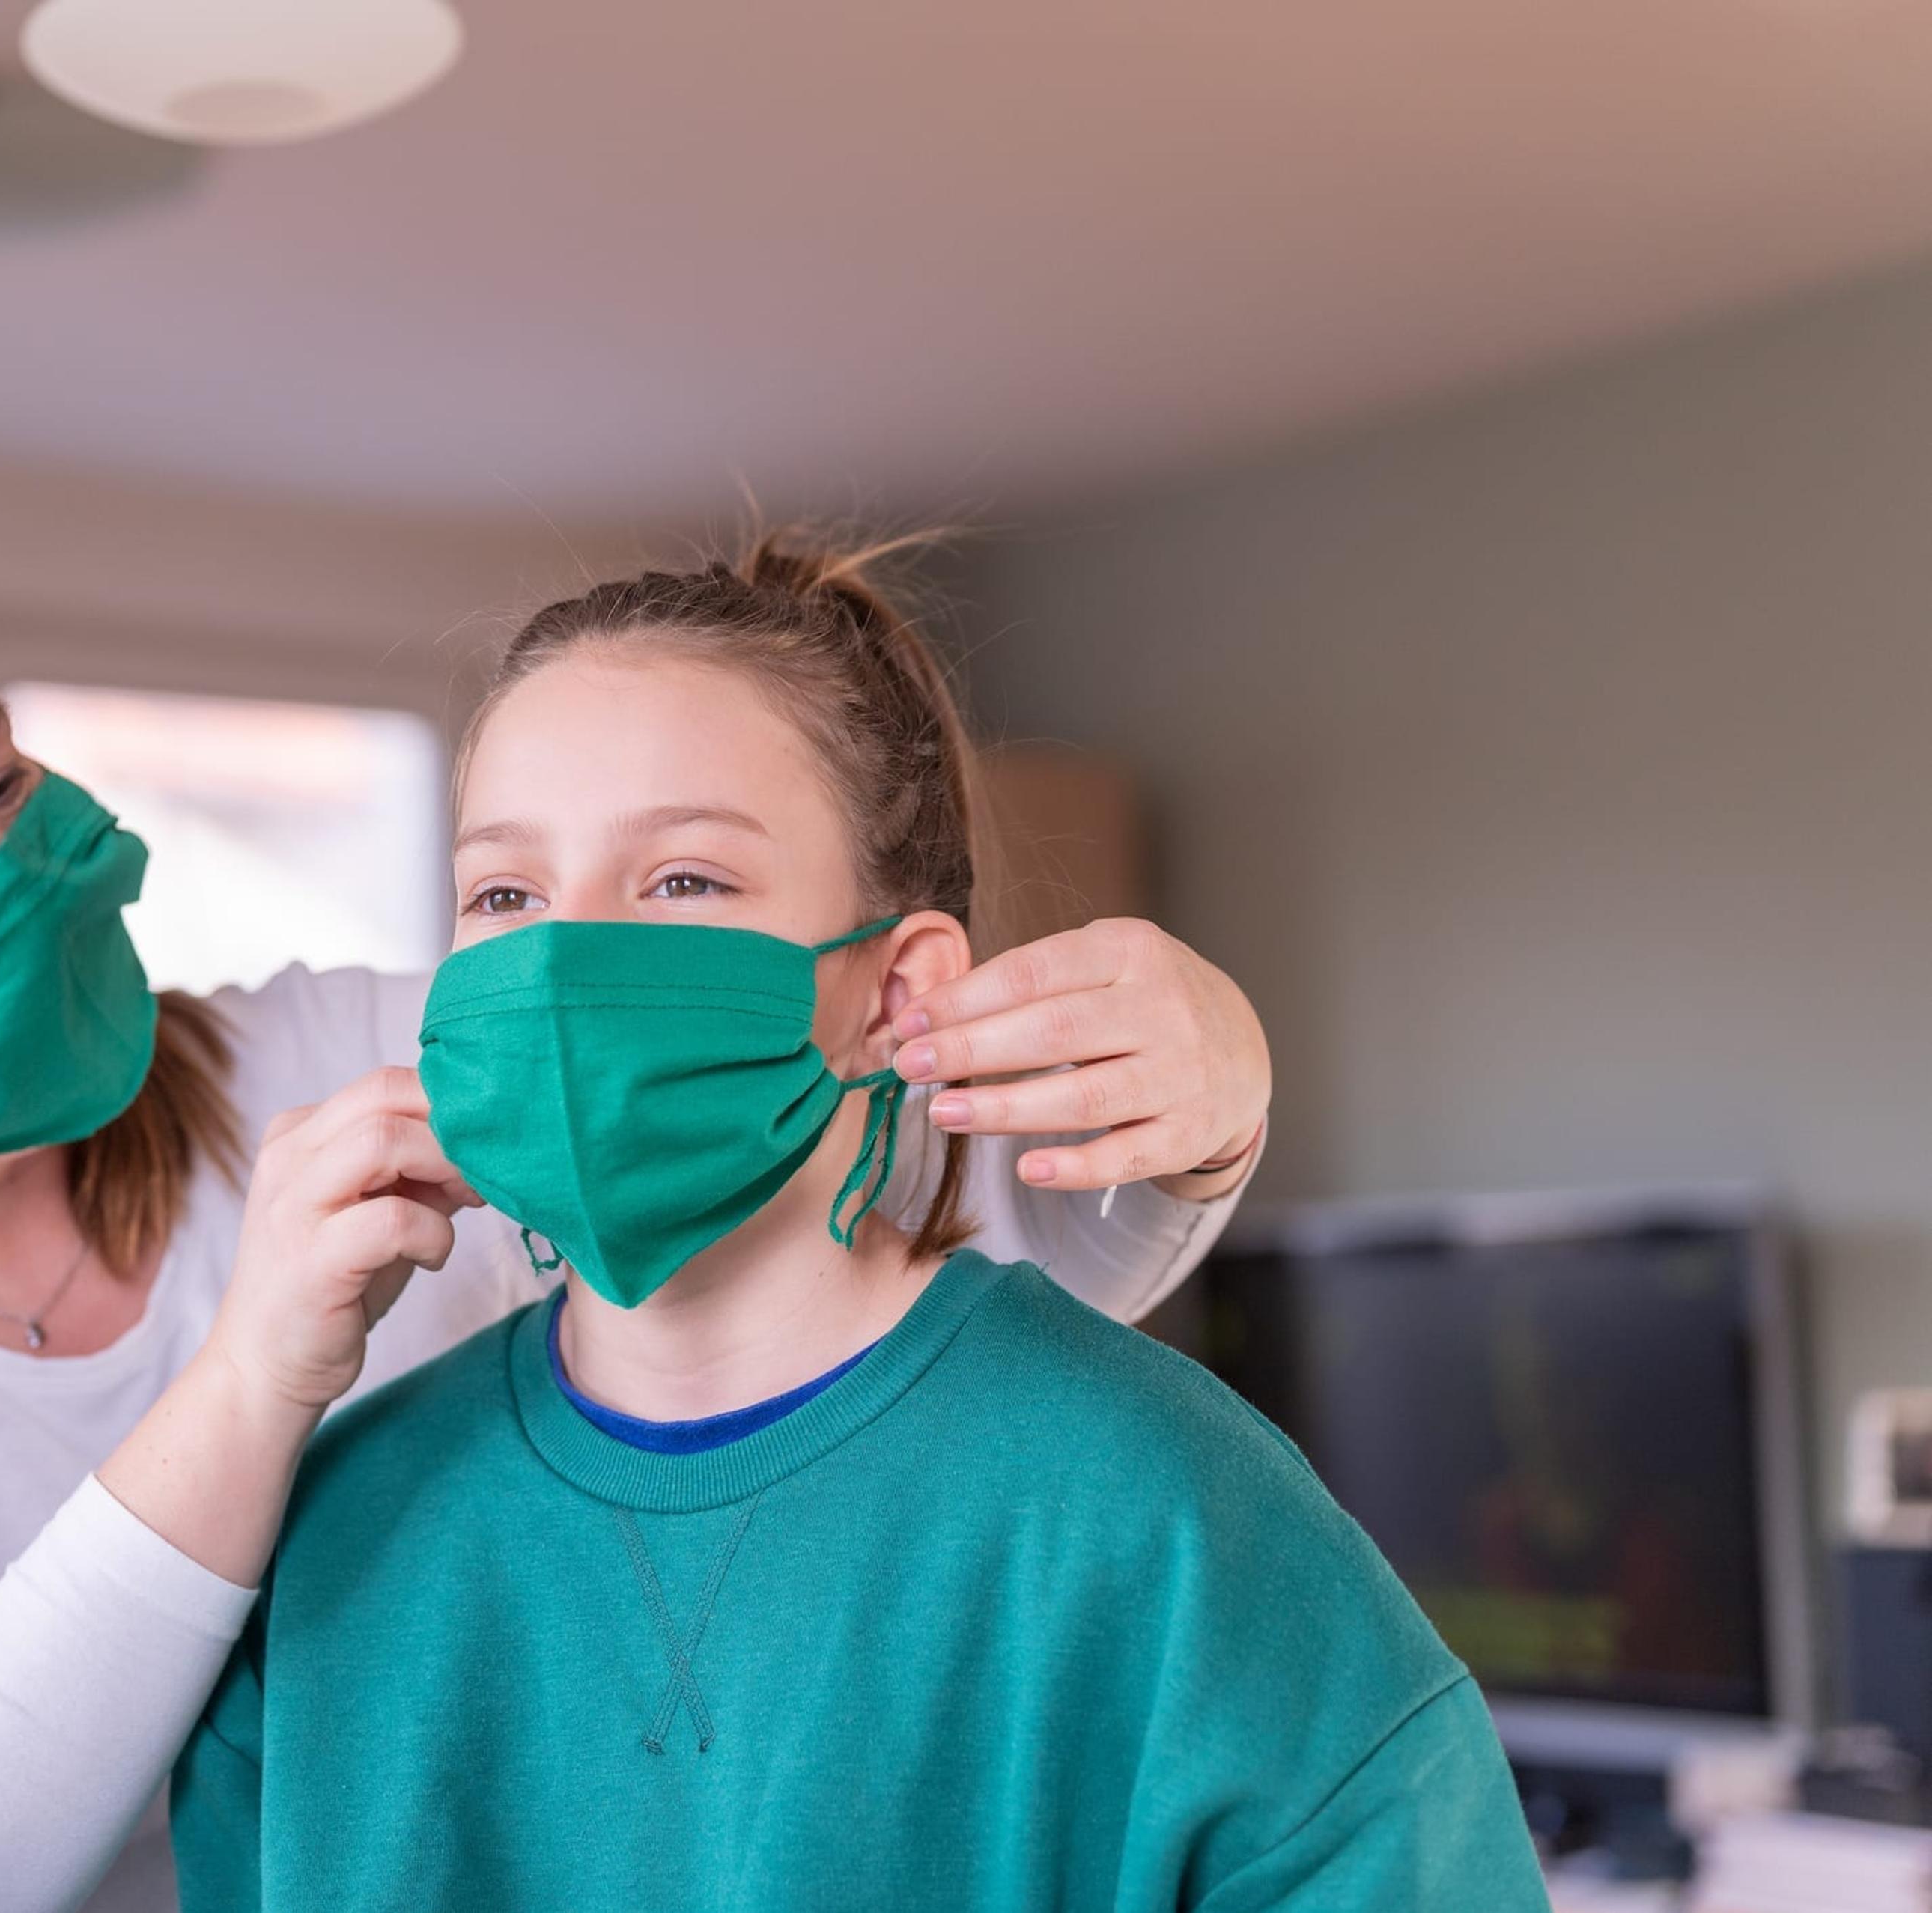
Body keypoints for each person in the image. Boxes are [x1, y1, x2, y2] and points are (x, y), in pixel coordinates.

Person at [0, 529, 1273, 1913]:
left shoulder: (367, 1061)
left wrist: (1192, 1112)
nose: (3, 883)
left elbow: (966, 1254)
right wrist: (249, 1382)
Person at [170, 538, 1545, 1910]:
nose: (559, 964)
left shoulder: (1165, 1521)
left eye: (683, 881)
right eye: (505, 896)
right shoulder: (336, 1549)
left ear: (897, 996)